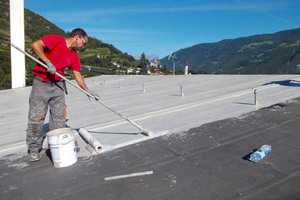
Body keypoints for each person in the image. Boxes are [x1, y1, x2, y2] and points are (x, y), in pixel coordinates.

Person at [27, 28, 99, 161]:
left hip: (58, 85)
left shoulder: (73, 56)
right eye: (84, 43)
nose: (84, 46)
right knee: (36, 118)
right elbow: (35, 45)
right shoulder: (56, 39)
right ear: (77, 37)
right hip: (41, 83)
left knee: (58, 118)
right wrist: (47, 62)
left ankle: (56, 146)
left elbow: (77, 74)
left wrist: (86, 90)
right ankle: (34, 148)